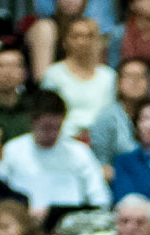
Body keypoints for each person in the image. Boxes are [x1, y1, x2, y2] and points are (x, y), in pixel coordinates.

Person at [1, 89, 104, 215]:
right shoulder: (13, 150)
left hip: (70, 219)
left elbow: (99, 197)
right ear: (33, 122)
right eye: (47, 127)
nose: (53, 133)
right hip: (23, 218)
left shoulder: (79, 152)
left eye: (57, 127)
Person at [36, 12, 112, 143]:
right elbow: (48, 113)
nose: (82, 42)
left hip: (102, 141)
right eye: (76, 36)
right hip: (64, 140)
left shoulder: (109, 76)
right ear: (65, 41)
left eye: (89, 36)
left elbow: (111, 116)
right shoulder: (53, 74)